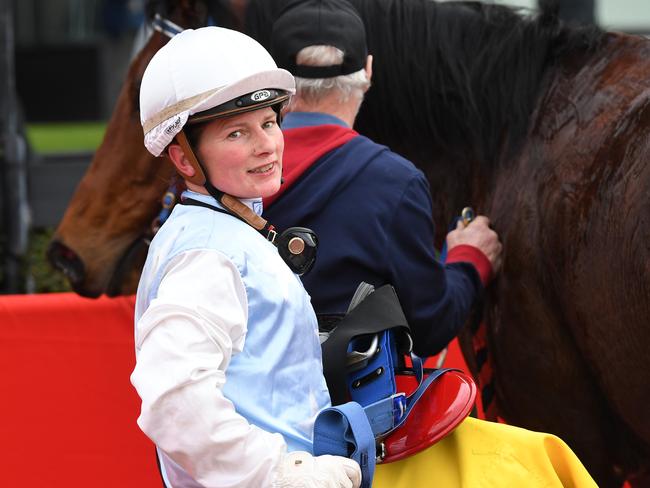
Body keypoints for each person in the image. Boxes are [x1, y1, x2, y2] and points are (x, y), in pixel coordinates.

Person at [130, 26, 362, 487]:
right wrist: (284, 474)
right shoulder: (206, 254)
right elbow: (173, 401)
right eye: (237, 132)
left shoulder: (226, 228)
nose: (266, 145)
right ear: (183, 160)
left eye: (270, 122)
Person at [265, 0, 501, 361]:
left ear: (275, 81)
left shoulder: (222, 177)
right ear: (369, 70)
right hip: (342, 410)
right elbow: (429, 327)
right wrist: (470, 260)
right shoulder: (395, 183)